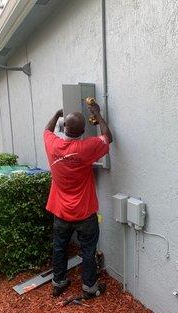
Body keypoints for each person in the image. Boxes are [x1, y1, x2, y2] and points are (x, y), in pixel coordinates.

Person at [43, 101, 113, 299]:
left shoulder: (53, 144)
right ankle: (89, 288)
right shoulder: (87, 147)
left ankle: (59, 284)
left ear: (65, 128)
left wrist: (57, 113)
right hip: (84, 212)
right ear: (84, 130)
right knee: (88, 251)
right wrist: (98, 114)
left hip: (60, 211)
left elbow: (46, 131)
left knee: (59, 248)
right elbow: (108, 137)